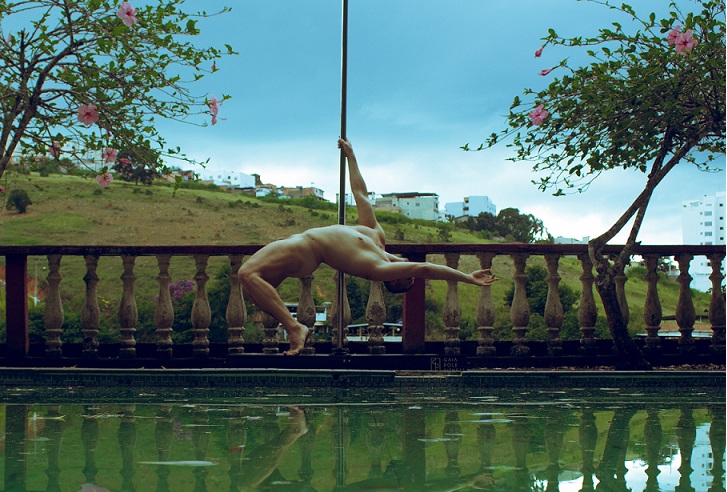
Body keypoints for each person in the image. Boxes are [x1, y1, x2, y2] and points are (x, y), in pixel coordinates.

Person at [238, 138, 498, 355]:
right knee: (253, 289)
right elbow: (361, 194)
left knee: (247, 273)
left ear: (393, 279)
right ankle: (291, 325)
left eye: (406, 278)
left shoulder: (377, 268)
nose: (409, 271)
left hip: (305, 250)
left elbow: (425, 269)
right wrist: (351, 156)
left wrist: (467, 277)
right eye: (409, 276)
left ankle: (295, 328)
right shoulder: (376, 238)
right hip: (299, 245)